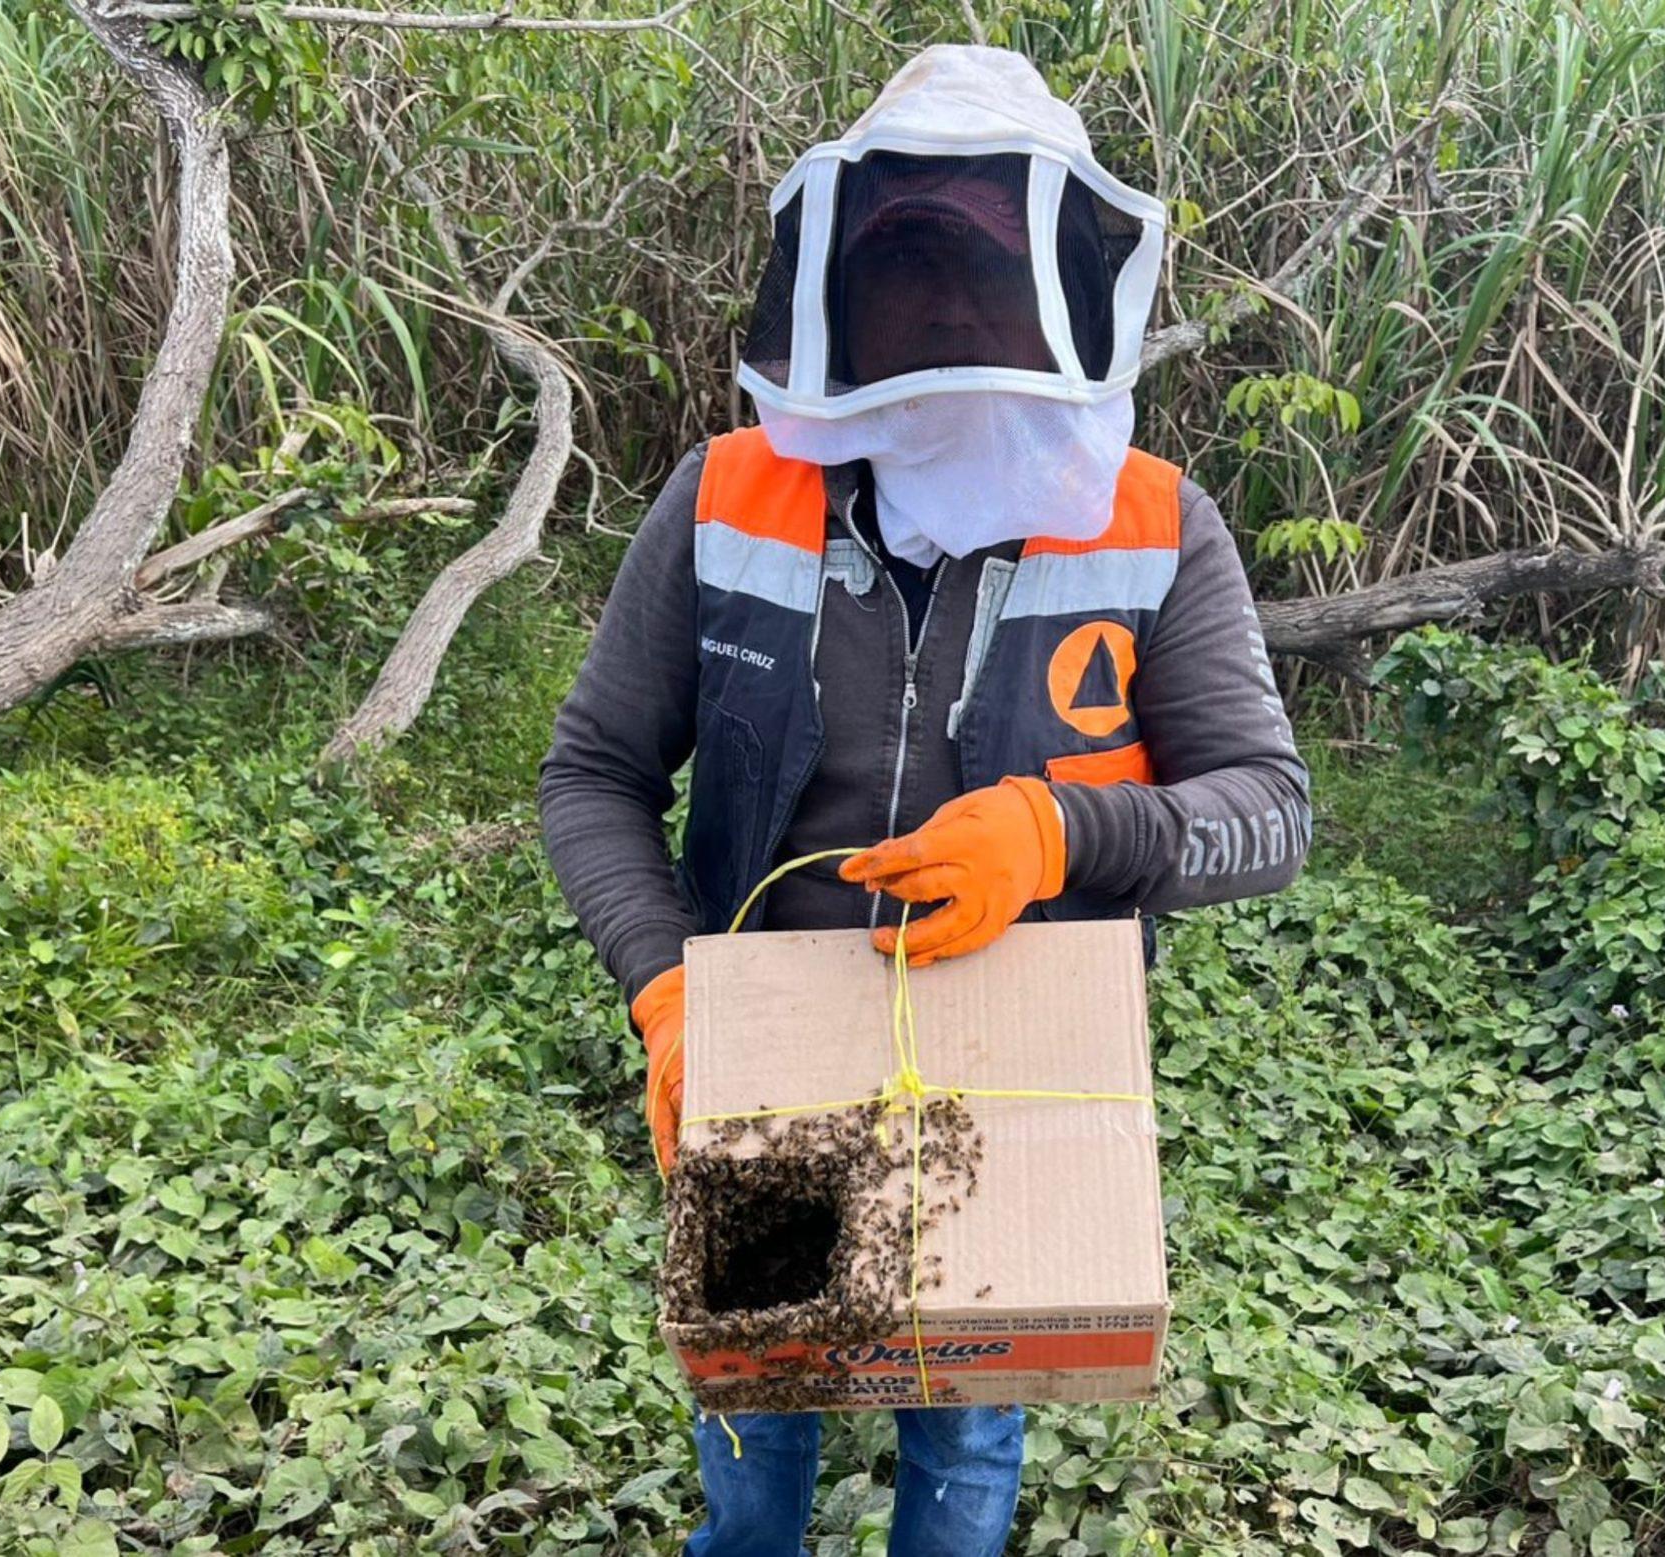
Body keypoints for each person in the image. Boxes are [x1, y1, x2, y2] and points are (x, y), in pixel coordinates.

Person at [537, 43, 1311, 1557]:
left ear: (1066, 282)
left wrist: (1064, 831)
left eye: (990, 260)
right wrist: (667, 990)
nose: (953, 303)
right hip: (764, 1050)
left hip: (1011, 1062)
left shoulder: (1156, 526)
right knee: (758, 1425)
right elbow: (593, 772)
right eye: (913, 255)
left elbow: (1270, 812)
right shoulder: (725, 494)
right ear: (838, 280)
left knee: (962, 1438)